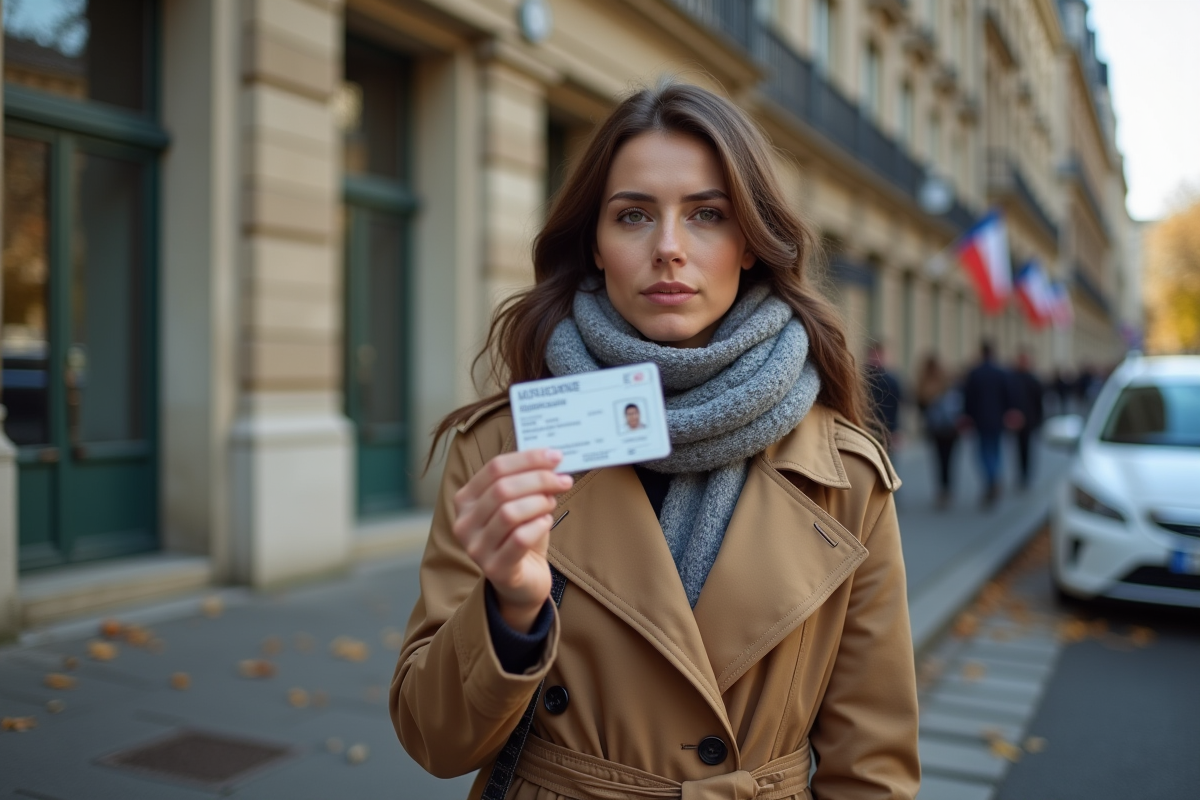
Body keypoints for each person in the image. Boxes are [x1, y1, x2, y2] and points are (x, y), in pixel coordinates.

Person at [390, 82, 919, 800]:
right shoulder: (504, 445)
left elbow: (873, 770)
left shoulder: (844, 473)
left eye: (707, 215)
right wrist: (510, 610)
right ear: (596, 247)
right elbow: (433, 739)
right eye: (633, 215)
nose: (668, 249)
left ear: (752, 246)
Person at [961, 340, 1020, 508]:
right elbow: (1009, 395)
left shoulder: (975, 373)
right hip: (997, 419)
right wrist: (1010, 411)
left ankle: (990, 479)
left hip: (980, 419)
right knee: (995, 449)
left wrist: (967, 416)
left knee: (983, 452)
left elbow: (968, 398)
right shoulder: (1001, 373)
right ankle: (994, 477)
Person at [915, 353, 961, 509]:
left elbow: (920, 406)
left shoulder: (924, 383)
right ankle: (947, 488)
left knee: (938, 460)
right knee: (949, 460)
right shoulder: (947, 382)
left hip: (935, 430)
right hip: (951, 429)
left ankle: (942, 490)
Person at [1008, 350, 1044, 489]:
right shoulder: (1013, 378)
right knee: (1018, 448)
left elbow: (1038, 402)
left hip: (1029, 419)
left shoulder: (1033, 380)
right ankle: (1021, 473)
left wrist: (1038, 420)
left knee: (1027, 447)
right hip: (1016, 419)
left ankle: (1026, 474)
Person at [865, 341, 903, 449]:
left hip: (887, 429)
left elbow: (897, 406)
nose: (876, 359)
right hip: (868, 428)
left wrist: (896, 430)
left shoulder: (891, 380)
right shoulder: (862, 379)